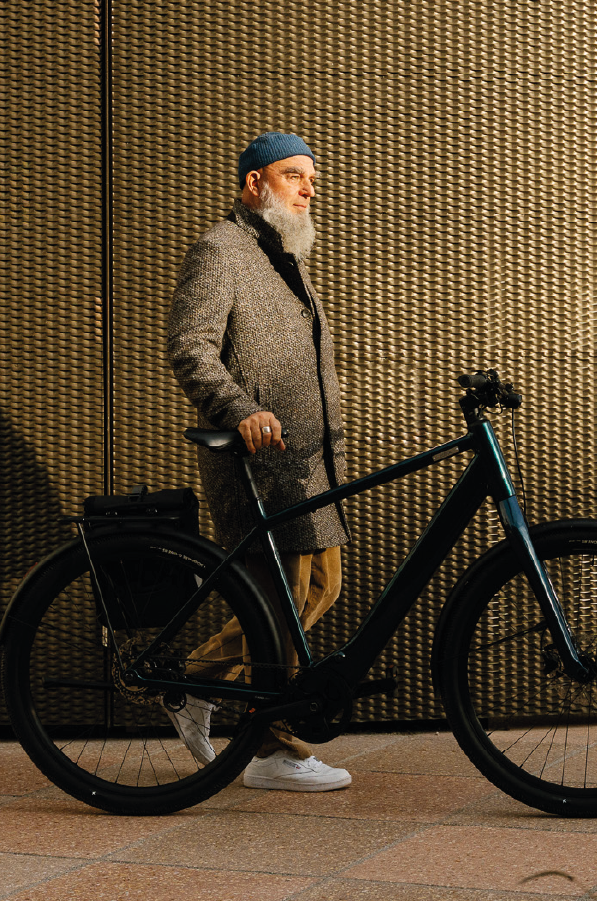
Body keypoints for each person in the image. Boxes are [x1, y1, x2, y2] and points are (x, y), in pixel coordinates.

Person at [167, 132, 351, 792]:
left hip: (307, 463)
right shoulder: (220, 250)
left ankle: (197, 682)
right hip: (259, 460)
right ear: (253, 184)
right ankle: (270, 748)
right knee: (276, 604)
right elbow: (191, 347)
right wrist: (238, 408)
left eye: (311, 179)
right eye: (293, 175)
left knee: (321, 586)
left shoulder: (285, 254)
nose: (308, 188)